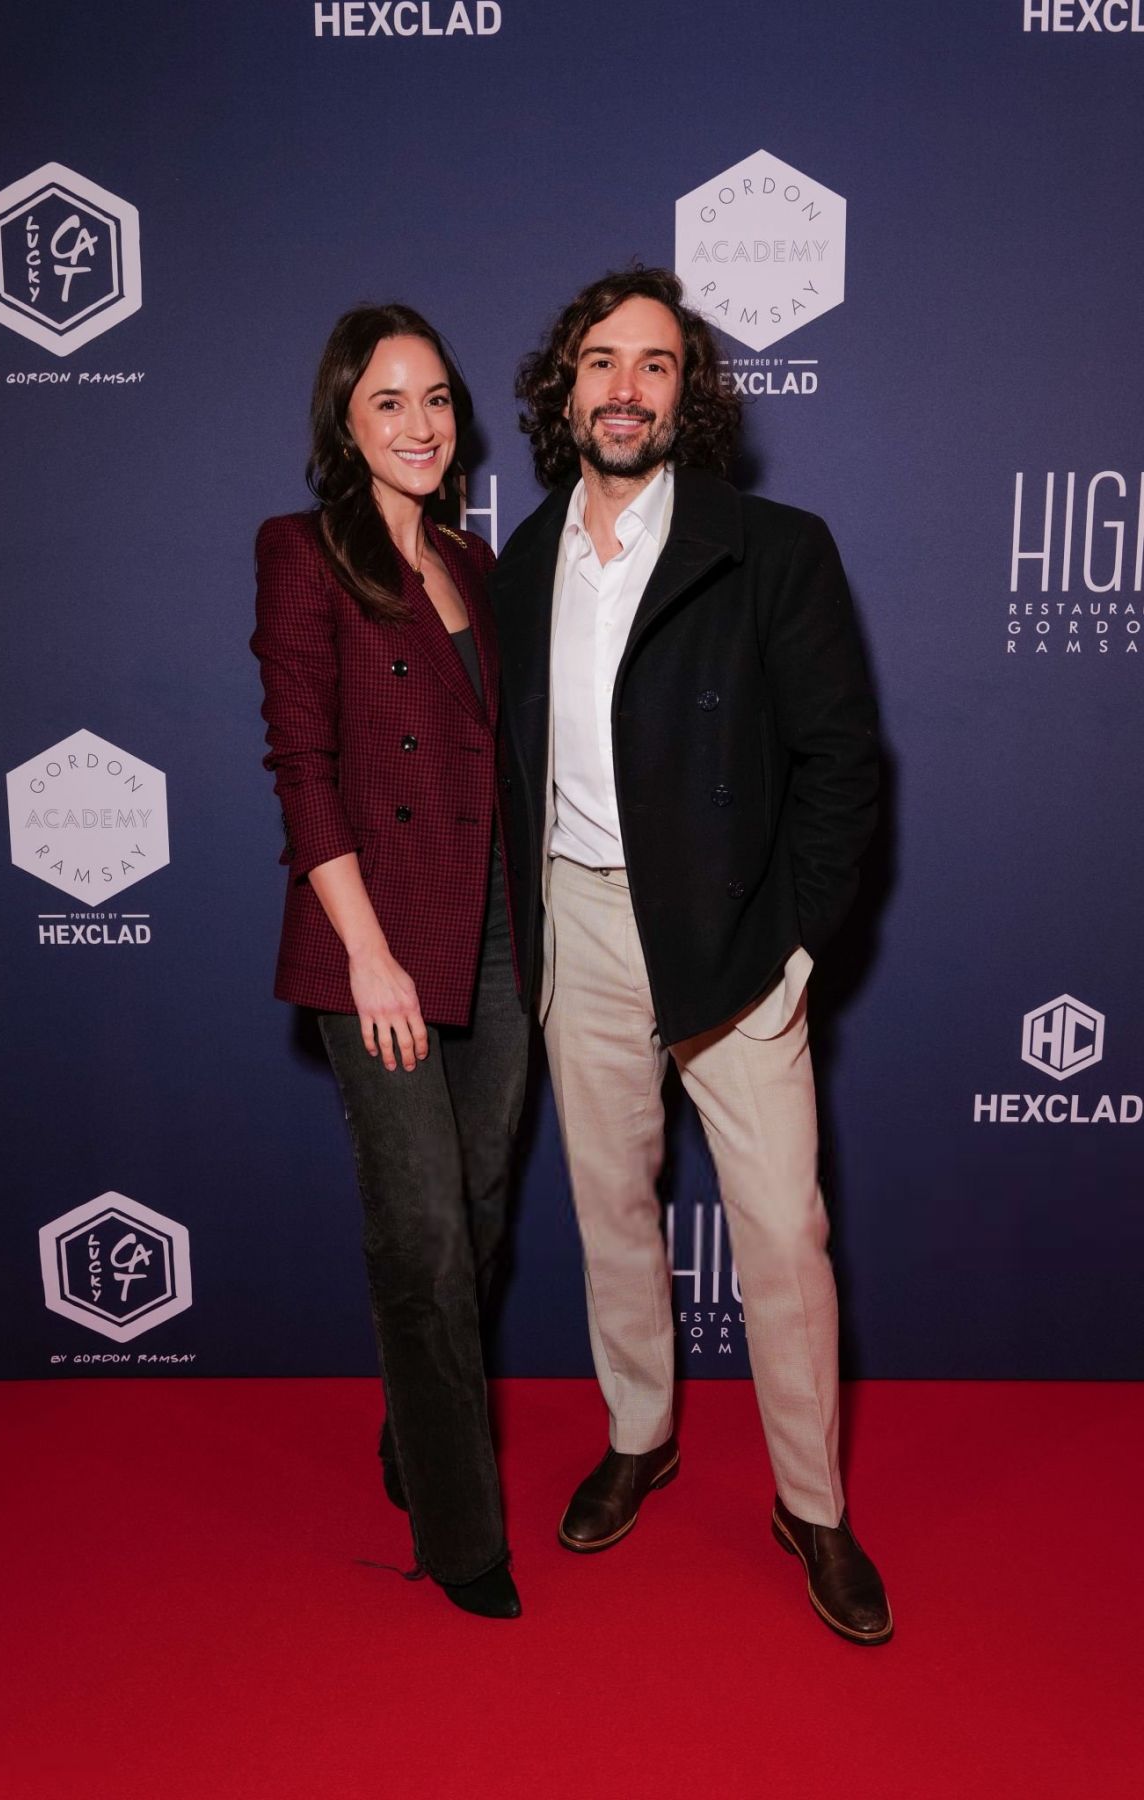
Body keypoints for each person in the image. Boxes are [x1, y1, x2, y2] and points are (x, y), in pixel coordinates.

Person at [489, 267, 892, 1644]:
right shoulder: (522, 565)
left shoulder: (771, 547)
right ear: (566, 390)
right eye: (601, 361)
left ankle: (813, 1506)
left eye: (654, 365)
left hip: (732, 933)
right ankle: (640, 1433)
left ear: (689, 397)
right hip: (580, 922)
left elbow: (842, 762)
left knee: (781, 1229)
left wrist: (795, 938)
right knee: (612, 1207)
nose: (625, 389)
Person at [251, 304, 527, 1620]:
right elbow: (302, 768)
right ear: (344, 422)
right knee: (419, 1230)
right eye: (387, 401)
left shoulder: (477, 558)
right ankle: (463, 1536)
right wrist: (368, 960)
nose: (420, 424)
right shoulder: (302, 551)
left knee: (478, 1210)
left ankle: (411, 1436)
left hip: (496, 929)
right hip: (379, 934)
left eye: (436, 399)